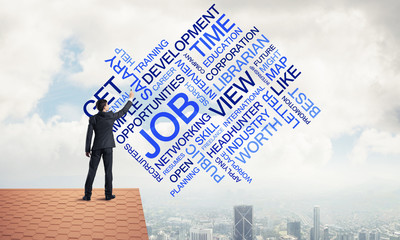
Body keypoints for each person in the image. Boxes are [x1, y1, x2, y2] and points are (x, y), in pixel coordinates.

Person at [83, 90, 134, 201]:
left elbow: (89, 135)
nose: (108, 106)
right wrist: (130, 98)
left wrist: (87, 149)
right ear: (104, 107)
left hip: (96, 148)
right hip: (108, 147)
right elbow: (123, 111)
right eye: (107, 104)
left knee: (92, 171)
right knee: (108, 171)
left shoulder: (93, 119)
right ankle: (108, 194)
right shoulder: (110, 116)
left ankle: (87, 195)